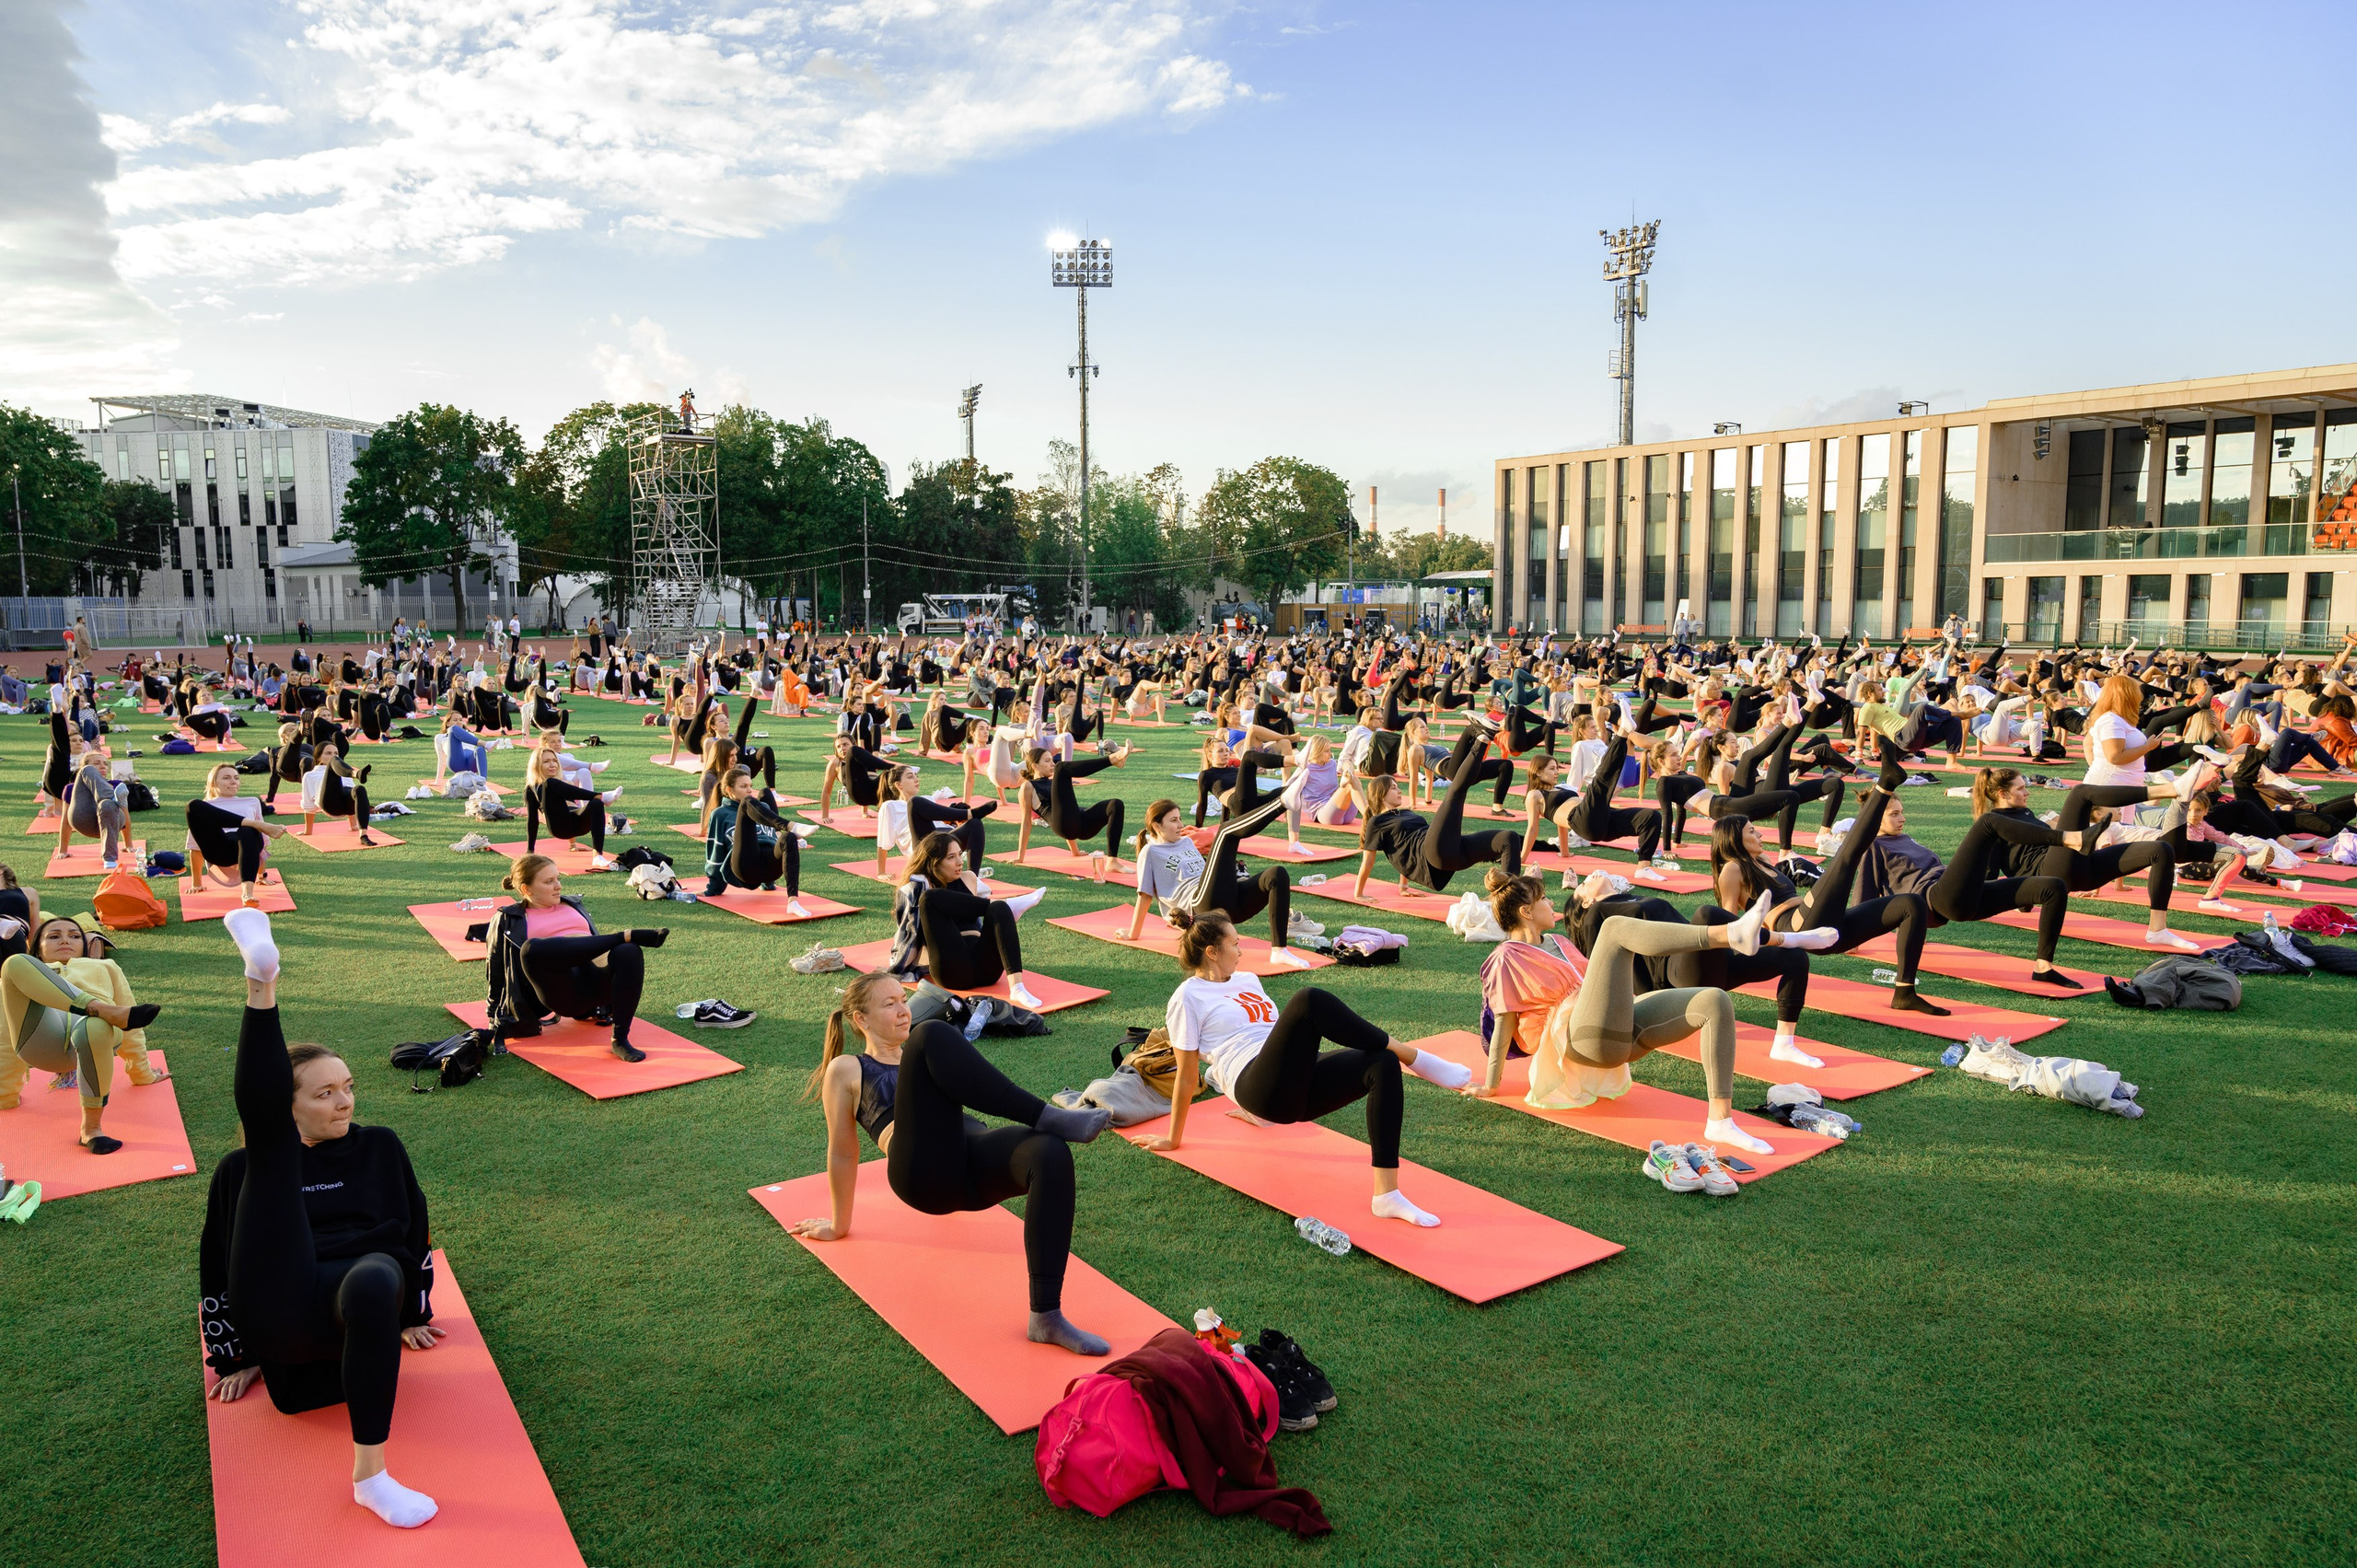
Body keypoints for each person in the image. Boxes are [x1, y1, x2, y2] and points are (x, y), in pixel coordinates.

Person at [202, 910, 443, 1528]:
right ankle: (263, 983)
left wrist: (413, 1311)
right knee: (267, 1158)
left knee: (369, 1277)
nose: (344, 1101)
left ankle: (372, 1475)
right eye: (323, 1092)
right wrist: (233, 1354)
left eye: (347, 1086)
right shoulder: (244, 1168)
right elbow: (216, 1261)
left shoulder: (378, 1145)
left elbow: (414, 1232)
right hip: (281, 1314)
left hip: (360, 1302)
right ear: (290, 1105)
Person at [791, 970, 1115, 1353]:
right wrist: (838, 1225)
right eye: (889, 1003)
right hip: (922, 1172)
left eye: (903, 999)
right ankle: (1048, 1115)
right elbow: (843, 1151)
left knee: (1049, 1153)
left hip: (969, 1164)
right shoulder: (848, 1068)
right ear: (860, 1019)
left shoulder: (931, 1052)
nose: (903, 1010)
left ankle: (1045, 1317)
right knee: (931, 1035)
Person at [1137, 912, 1467, 1225]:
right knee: (1308, 1001)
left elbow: (1278, 1037)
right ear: (1212, 952)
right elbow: (1186, 1073)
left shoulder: (1249, 980)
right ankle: (1413, 1056)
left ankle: (1387, 1195)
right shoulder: (1187, 997)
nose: (1242, 949)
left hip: (1289, 1083)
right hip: (1255, 1084)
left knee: (1380, 1064)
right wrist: (1172, 1139)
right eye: (1235, 943)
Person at [1501, 875, 1830, 1155]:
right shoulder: (1506, 956)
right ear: (1526, 911)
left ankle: (1721, 1122)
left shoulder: (1558, 941)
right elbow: (1502, 1020)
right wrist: (1490, 1083)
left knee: (1714, 1002)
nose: (1550, 902)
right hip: (1579, 1039)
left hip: (1616, 1029)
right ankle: (1733, 935)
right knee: (1615, 928)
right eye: (1543, 899)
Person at [483, 854, 670, 1060]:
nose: (558, 886)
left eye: (558, 879)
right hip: (562, 990)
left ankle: (620, 1040)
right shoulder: (508, 919)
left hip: (595, 982)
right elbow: (496, 964)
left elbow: (592, 944)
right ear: (527, 889)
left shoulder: (572, 905)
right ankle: (623, 936)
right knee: (531, 949)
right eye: (549, 881)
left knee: (629, 950)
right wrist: (493, 1014)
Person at [0, 915, 163, 1148]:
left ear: (84, 947)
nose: (65, 940)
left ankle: (91, 1130)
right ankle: (101, 1009)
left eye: (74, 936)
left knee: (96, 1025)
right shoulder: (25, 973)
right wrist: (5, 1094)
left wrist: (142, 1073)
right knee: (13, 963)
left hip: (96, 1041)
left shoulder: (105, 966)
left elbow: (132, 1029)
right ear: (37, 949)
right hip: (42, 1043)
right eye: (54, 936)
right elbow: (5, 1033)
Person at [1128, 788, 1314, 970]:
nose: (1180, 825)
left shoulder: (1186, 841)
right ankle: (1281, 804)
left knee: (1276, 875)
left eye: (1180, 819)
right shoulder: (1150, 852)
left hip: (1226, 906)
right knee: (1225, 832)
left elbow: (1207, 872)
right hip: (1199, 907)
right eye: (1173, 820)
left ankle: (1279, 950)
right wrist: (1132, 934)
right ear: (1157, 826)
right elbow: (1144, 896)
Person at [888, 833, 1049, 1011]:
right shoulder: (920, 886)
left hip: (986, 967)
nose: (959, 862)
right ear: (934, 862)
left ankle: (1017, 988)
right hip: (953, 970)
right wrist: (897, 966)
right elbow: (908, 932)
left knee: (999, 908)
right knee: (930, 899)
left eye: (960, 855)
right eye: (951, 857)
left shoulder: (969, 878)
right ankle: (1009, 905)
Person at [702, 767, 810, 912]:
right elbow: (716, 851)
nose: (749, 790)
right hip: (744, 867)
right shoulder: (720, 814)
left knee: (788, 837)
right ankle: (791, 825)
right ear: (729, 790)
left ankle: (793, 902)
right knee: (747, 803)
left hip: (767, 868)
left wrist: (768, 884)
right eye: (743, 786)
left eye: (750, 786)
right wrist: (714, 889)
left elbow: (771, 838)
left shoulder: (763, 809)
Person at [187, 762, 291, 908]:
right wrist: (196, 883)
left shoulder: (252, 802)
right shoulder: (206, 806)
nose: (233, 781)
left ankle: (247, 894)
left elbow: (262, 844)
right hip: (220, 851)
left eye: (236, 777)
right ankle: (256, 824)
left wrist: (262, 875)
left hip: (246, 848)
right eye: (226, 778)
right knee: (193, 805)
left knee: (247, 830)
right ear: (213, 782)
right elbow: (195, 847)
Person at [522, 747, 622, 868]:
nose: (552, 764)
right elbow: (533, 820)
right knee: (550, 783)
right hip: (559, 827)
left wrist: (573, 844)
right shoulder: (532, 788)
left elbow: (571, 807)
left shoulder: (561, 783)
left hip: (577, 823)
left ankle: (597, 856)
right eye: (546, 761)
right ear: (536, 766)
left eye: (554, 761)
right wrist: (530, 851)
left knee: (596, 804)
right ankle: (601, 796)